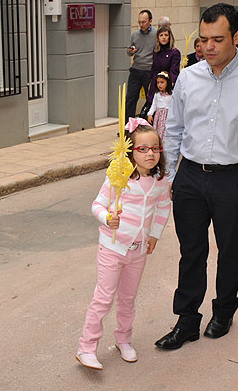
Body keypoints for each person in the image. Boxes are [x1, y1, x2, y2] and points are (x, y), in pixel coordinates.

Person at [155, 3, 238, 350]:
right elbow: (176, 129)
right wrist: (170, 177)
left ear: (237, 37)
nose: (208, 47)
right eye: (204, 39)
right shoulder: (189, 77)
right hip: (190, 177)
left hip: (232, 180)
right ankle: (187, 321)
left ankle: (223, 312)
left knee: (229, 250)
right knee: (191, 251)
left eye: (218, 39)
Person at [76, 119, 171, 370]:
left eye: (155, 148)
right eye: (143, 149)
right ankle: (86, 347)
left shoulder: (160, 181)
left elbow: (163, 207)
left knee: (128, 298)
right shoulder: (120, 178)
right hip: (112, 247)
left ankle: (124, 340)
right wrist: (107, 218)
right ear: (131, 151)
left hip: (139, 251)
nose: (150, 153)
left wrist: (155, 235)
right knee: (104, 298)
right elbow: (97, 204)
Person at [125, 10, 155, 121]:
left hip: (149, 72)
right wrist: (131, 51)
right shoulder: (135, 35)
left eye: (144, 22)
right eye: (139, 22)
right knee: (130, 99)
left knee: (151, 99)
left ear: (150, 21)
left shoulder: (156, 35)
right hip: (135, 71)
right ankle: (127, 127)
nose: (141, 25)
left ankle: (149, 125)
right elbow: (128, 52)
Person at [147, 26, 180, 105]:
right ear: (158, 37)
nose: (163, 37)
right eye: (161, 35)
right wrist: (151, 83)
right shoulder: (156, 51)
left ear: (170, 37)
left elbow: (174, 71)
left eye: (166, 35)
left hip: (168, 85)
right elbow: (154, 68)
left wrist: (169, 85)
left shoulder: (174, 52)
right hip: (156, 83)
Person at [147, 71, 173, 141]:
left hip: (167, 117)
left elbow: (174, 107)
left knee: (166, 133)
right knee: (158, 133)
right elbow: (154, 105)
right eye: (158, 82)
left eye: (162, 82)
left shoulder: (172, 94)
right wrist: (150, 114)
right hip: (159, 117)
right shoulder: (157, 94)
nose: (159, 85)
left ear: (167, 82)